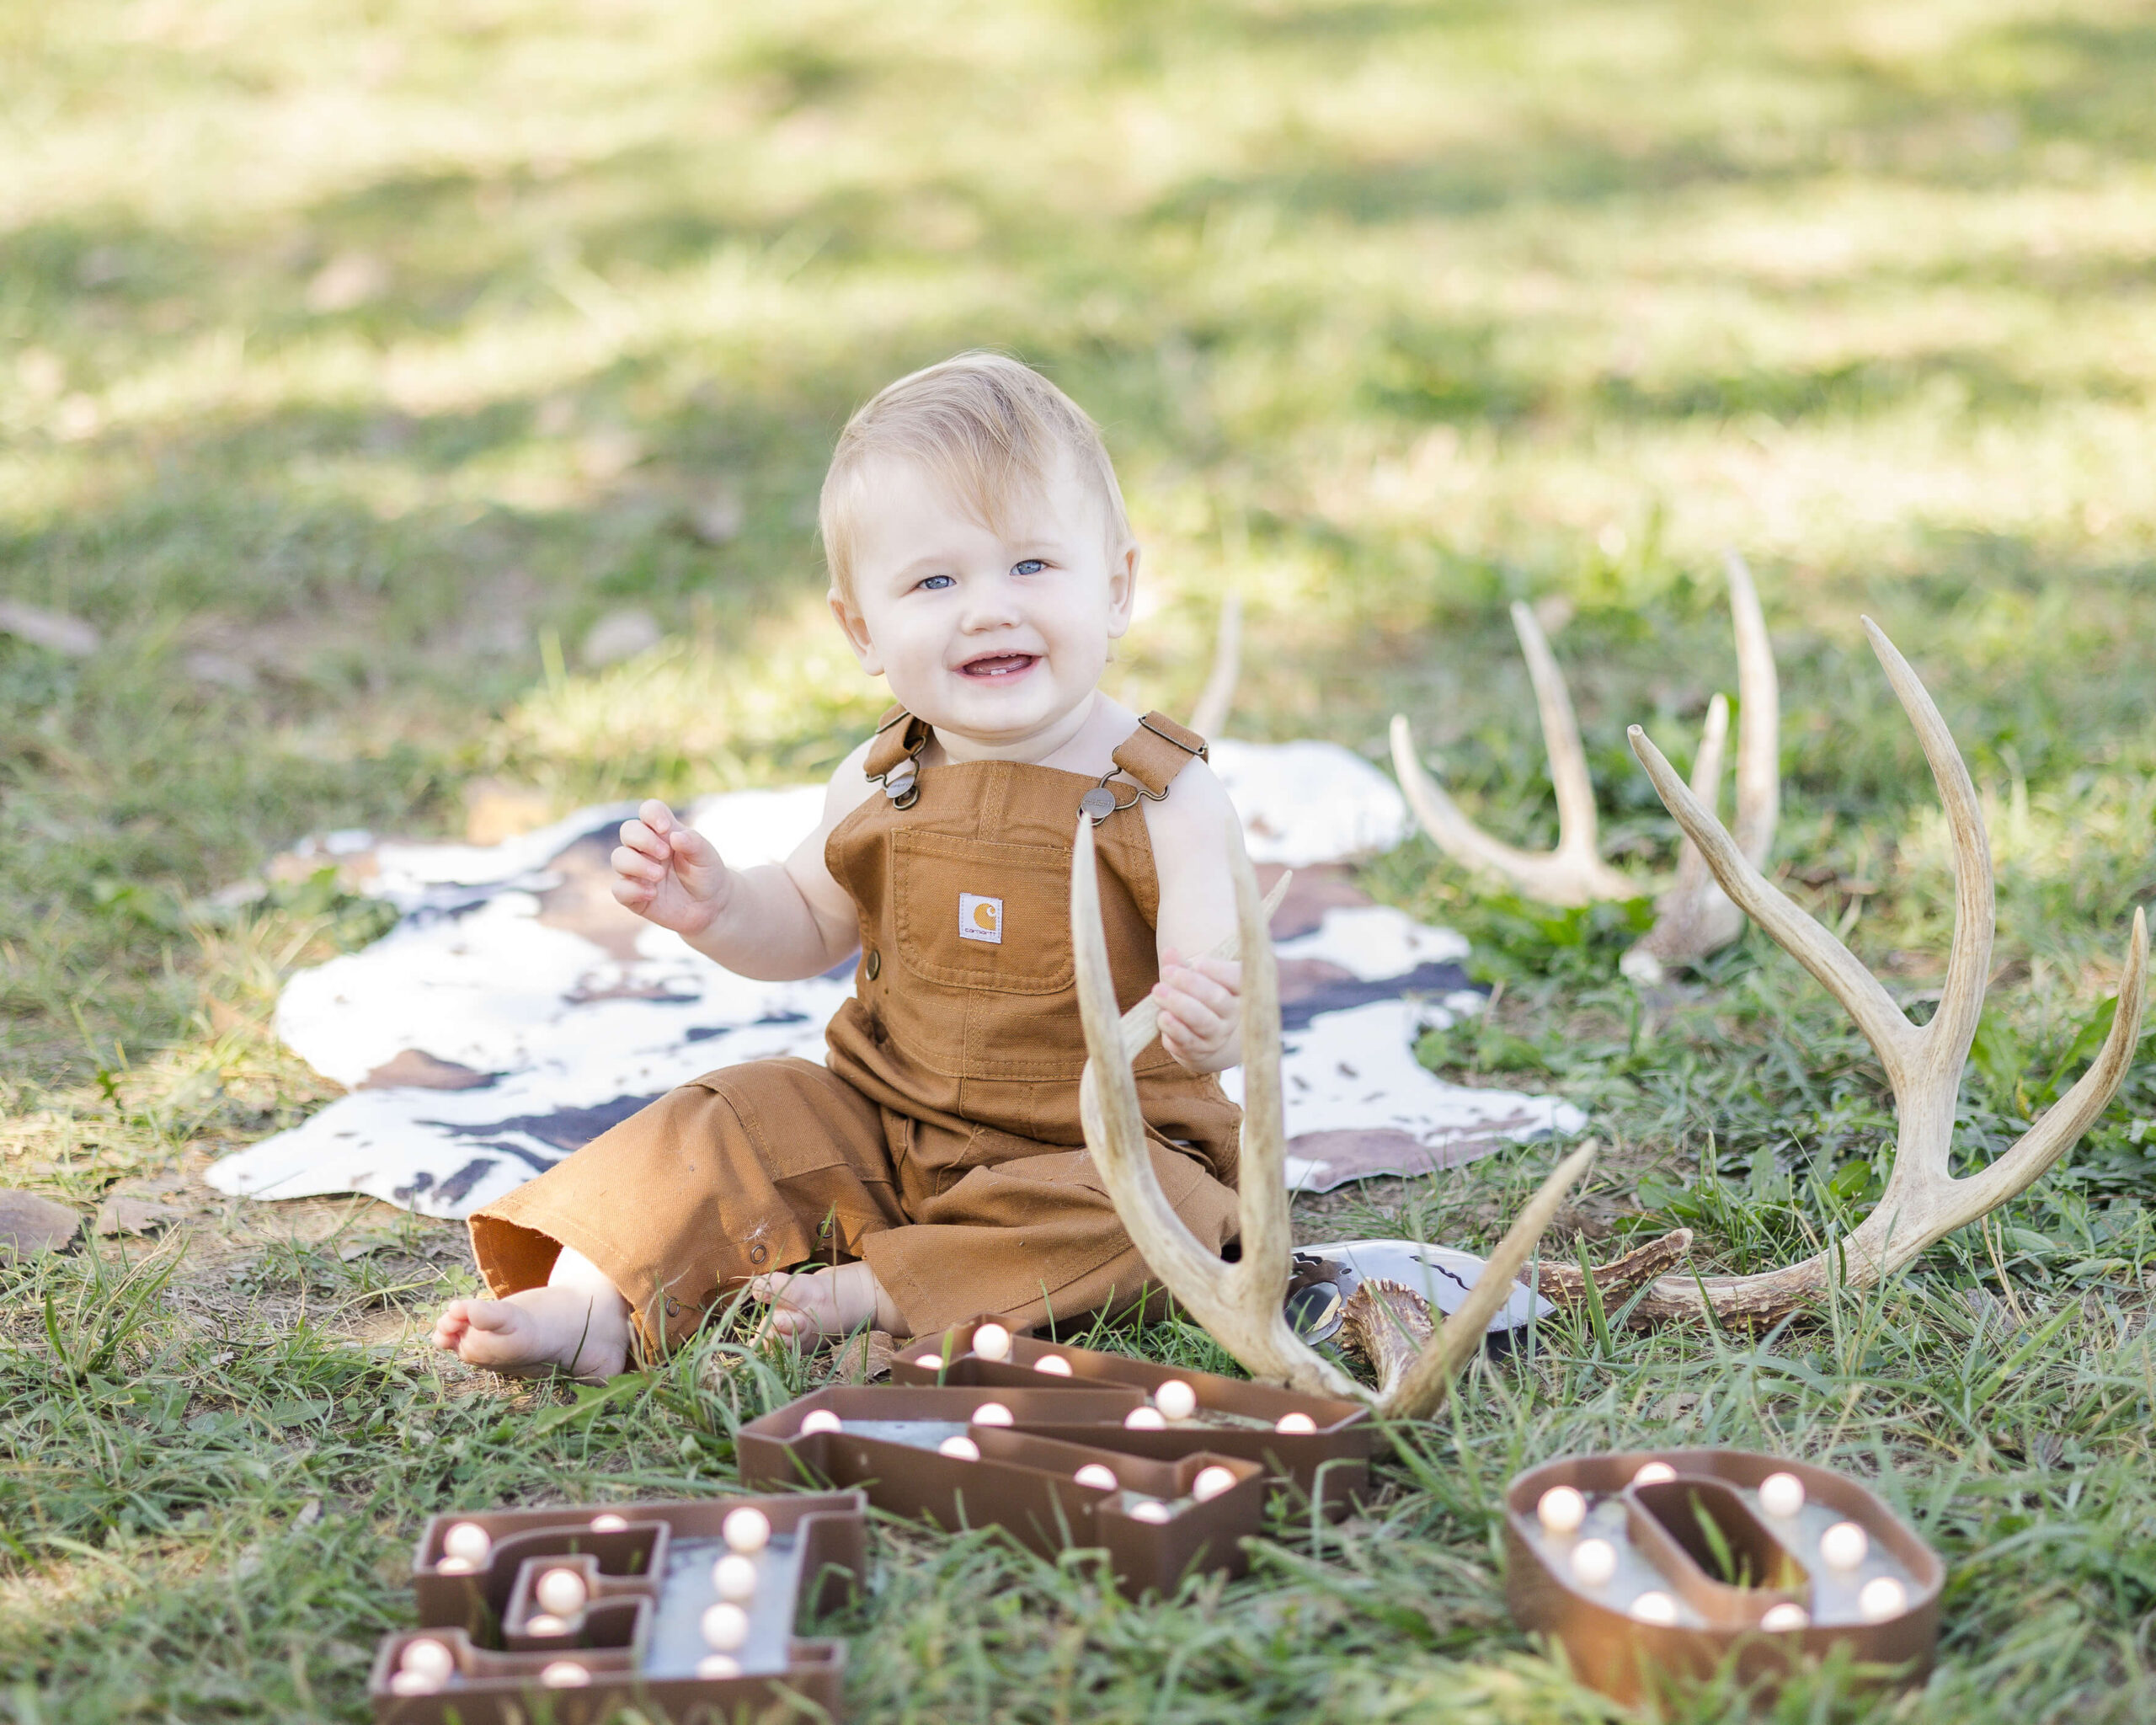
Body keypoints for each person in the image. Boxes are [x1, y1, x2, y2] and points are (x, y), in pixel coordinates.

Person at [431, 352, 1249, 1379]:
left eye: (1032, 566)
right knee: (731, 1113)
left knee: (1169, 1216)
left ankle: (878, 1289)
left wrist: (1209, 1009)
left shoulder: (1165, 792)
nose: (988, 608)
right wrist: (721, 904)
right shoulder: (881, 780)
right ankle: (594, 1299)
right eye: (935, 580)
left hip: (1095, 1153)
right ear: (862, 628)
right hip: (886, 1133)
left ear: (1118, 587)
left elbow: (1218, 961)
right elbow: (805, 923)